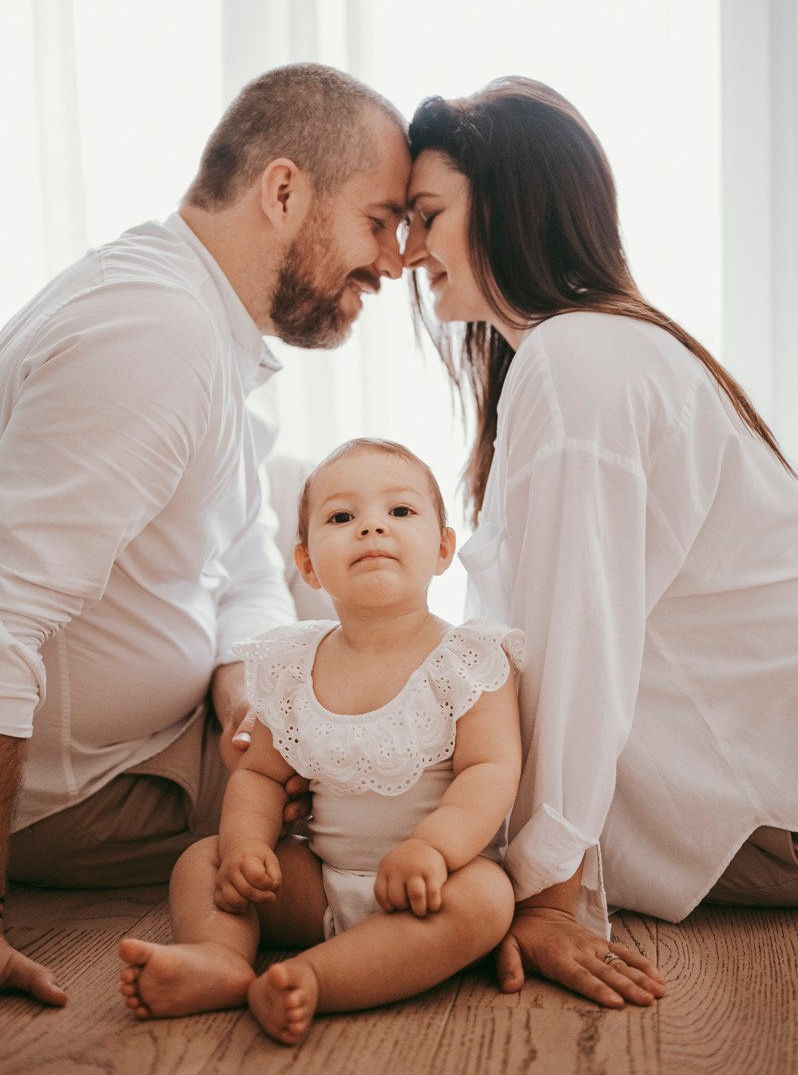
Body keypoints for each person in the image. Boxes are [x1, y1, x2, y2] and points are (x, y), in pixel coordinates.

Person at [0, 63, 411, 1006]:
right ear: (282, 190)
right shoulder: (155, 338)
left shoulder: (211, 331)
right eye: (380, 221)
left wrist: (244, 694)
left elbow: (240, 559)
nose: (394, 262)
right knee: (419, 797)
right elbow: (4, 614)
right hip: (87, 787)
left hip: (179, 734)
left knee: (377, 648)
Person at [402, 77, 798, 1010]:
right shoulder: (588, 350)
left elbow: (577, 648)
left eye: (428, 215)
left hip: (765, 810)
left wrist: (543, 897)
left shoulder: (580, 362)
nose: (409, 250)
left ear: (508, 204)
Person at [118, 438, 523, 1045]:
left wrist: (434, 849)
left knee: (488, 902)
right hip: (317, 883)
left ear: (443, 549)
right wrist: (246, 848)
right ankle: (220, 957)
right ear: (307, 565)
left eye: (401, 512)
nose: (371, 528)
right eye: (342, 517)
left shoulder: (468, 659)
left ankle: (313, 977)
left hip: (431, 885)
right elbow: (258, 774)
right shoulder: (292, 661)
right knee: (200, 861)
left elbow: (490, 771)